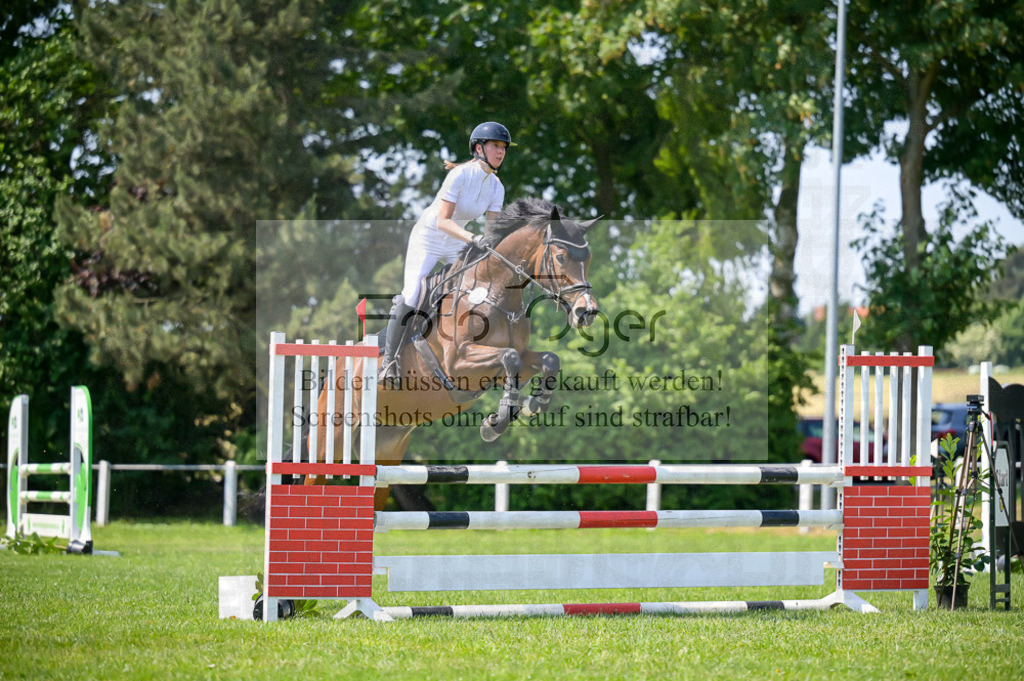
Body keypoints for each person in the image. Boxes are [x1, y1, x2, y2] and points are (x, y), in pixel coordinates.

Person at [380, 121, 515, 383]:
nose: (501, 152)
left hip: (457, 240)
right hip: (429, 237)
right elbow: (443, 221)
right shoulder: (459, 175)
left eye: (504, 148)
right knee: (413, 292)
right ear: (479, 148)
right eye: (496, 146)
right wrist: (473, 238)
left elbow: (493, 231)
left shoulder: (496, 187)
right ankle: (389, 362)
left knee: (477, 285)